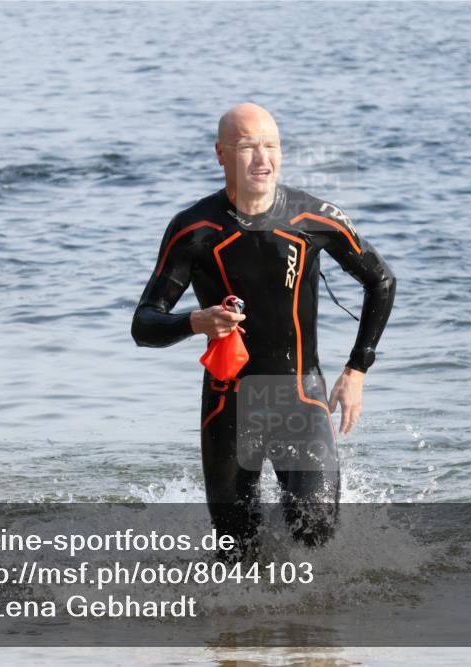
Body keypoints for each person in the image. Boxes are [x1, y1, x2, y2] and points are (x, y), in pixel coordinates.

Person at [131, 103, 395, 556]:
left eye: (271, 145)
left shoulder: (314, 219)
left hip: (300, 396)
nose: (262, 159)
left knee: (316, 533)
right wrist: (196, 321)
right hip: (227, 408)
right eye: (247, 146)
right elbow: (145, 323)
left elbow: (381, 281)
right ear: (220, 155)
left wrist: (356, 370)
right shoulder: (194, 230)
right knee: (238, 553)